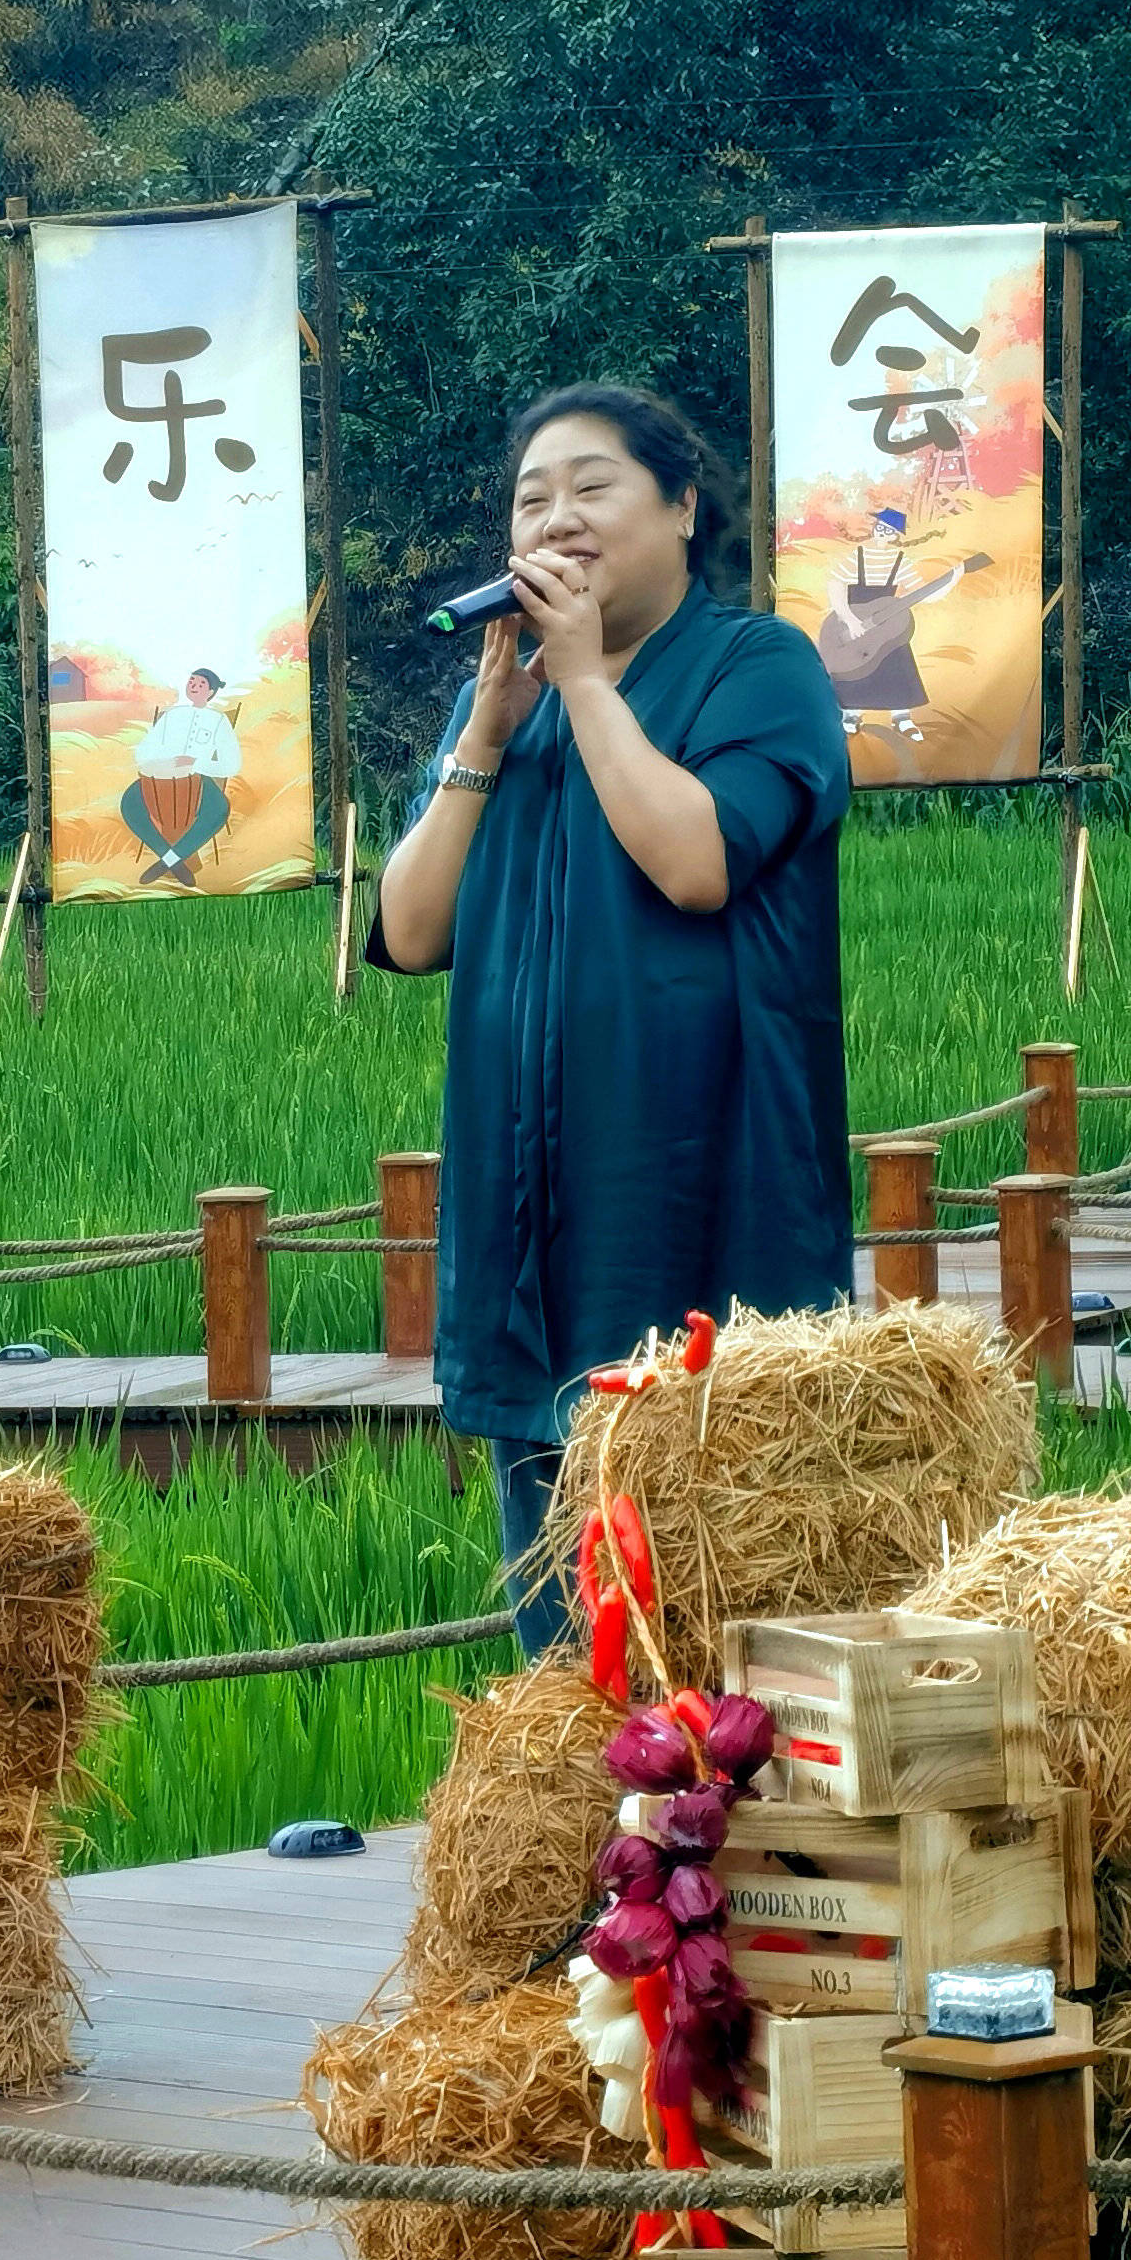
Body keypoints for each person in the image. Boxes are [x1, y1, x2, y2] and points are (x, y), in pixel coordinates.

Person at [369, 384, 852, 1654]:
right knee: (567, 1665)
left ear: (684, 507)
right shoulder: (512, 703)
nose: (556, 518)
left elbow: (696, 860)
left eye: (592, 488)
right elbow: (411, 931)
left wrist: (584, 683)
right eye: (532, 499)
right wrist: (484, 729)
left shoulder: (762, 668)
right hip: (527, 1225)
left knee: (721, 1648)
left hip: (703, 1217)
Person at [120, 667, 243, 883]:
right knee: (129, 803)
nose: (194, 686)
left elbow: (232, 764)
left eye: (201, 684)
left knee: (219, 809)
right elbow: (143, 752)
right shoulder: (172, 716)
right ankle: (173, 860)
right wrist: (162, 763)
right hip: (159, 778)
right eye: (191, 681)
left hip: (198, 777)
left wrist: (197, 762)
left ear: (211, 692)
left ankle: (167, 861)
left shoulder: (218, 720)